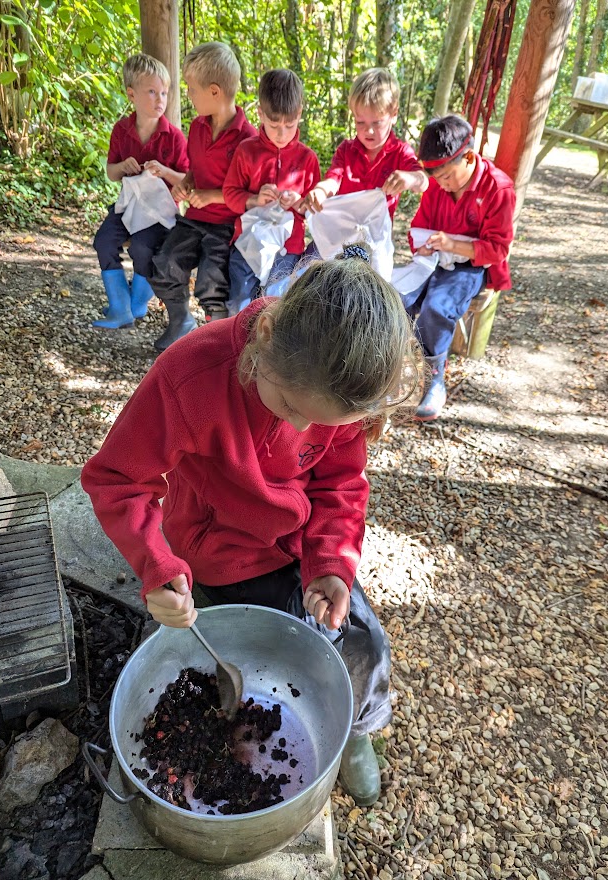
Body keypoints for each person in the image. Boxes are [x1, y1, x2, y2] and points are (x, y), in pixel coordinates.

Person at [81, 245, 421, 807]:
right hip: (219, 551)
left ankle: (354, 733)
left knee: (363, 645)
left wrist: (331, 565)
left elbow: (339, 486)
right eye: (289, 406)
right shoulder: (191, 374)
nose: (303, 427)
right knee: (236, 669)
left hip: (297, 543)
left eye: (328, 423)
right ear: (263, 340)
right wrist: (156, 565)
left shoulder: (341, 394)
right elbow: (118, 478)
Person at [405, 114, 516, 421]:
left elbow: (497, 249)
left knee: (437, 307)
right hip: (435, 258)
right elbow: (419, 226)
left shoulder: (498, 188)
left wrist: (454, 246)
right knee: (398, 298)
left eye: (449, 177)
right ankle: (393, 365)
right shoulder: (437, 185)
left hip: (472, 266)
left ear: (469, 156)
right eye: (437, 179)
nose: (442, 184)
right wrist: (423, 245)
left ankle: (434, 377)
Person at [149, 42, 256, 352]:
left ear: (214, 92)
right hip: (194, 219)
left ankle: (218, 340)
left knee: (212, 279)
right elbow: (195, 171)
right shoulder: (196, 127)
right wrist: (186, 185)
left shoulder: (248, 139)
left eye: (191, 89)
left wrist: (212, 196)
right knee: (166, 261)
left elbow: (248, 194)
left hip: (226, 225)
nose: (188, 95)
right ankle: (181, 322)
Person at [92, 53, 189, 330]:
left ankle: (137, 303)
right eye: (151, 92)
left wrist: (164, 171)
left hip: (159, 214)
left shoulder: (174, 137)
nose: (160, 99)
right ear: (131, 94)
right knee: (104, 241)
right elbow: (111, 173)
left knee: (143, 248)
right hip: (128, 206)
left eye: (164, 93)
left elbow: (185, 180)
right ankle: (119, 307)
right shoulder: (121, 130)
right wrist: (123, 166)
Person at [222, 69, 321, 315]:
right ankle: (236, 349)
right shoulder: (247, 151)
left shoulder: (307, 159)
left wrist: (298, 203)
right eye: (274, 124)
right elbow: (230, 194)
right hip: (248, 242)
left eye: (289, 125)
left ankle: (266, 352)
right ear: (260, 114)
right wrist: (254, 200)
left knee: (274, 306)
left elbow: (315, 212)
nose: (281, 133)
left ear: (299, 114)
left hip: (288, 247)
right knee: (239, 303)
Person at [302, 68, 428, 221]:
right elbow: (333, 180)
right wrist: (320, 191)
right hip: (342, 232)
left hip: (375, 239)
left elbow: (423, 182)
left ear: (393, 115)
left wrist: (411, 178)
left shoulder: (400, 152)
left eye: (377, 123)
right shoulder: (346, 151)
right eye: (360, 122)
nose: (369, 131)